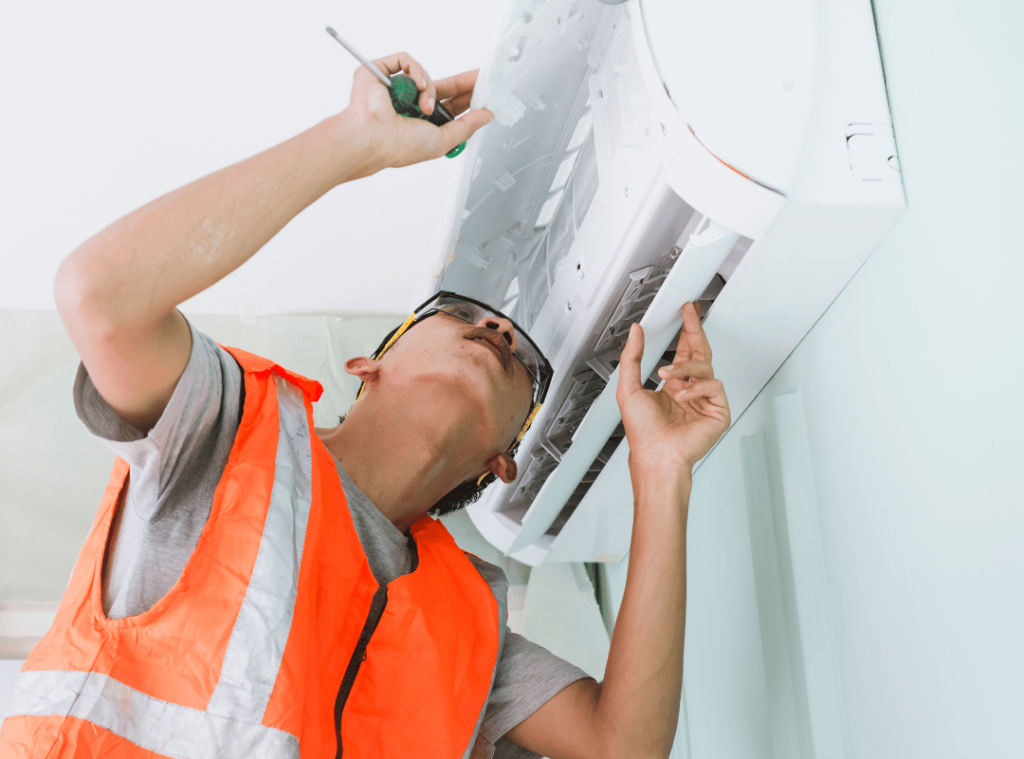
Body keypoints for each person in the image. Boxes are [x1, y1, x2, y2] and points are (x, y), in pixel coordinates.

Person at [0, 52, 730, 759]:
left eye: (522, 362)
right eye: (460, 314)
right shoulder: (229, 433)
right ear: (367, 364)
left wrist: (660, 471)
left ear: (505, 456)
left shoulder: (471, 632)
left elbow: (623, 744)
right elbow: (99, 298)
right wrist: (357, 141)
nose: (499, 328)